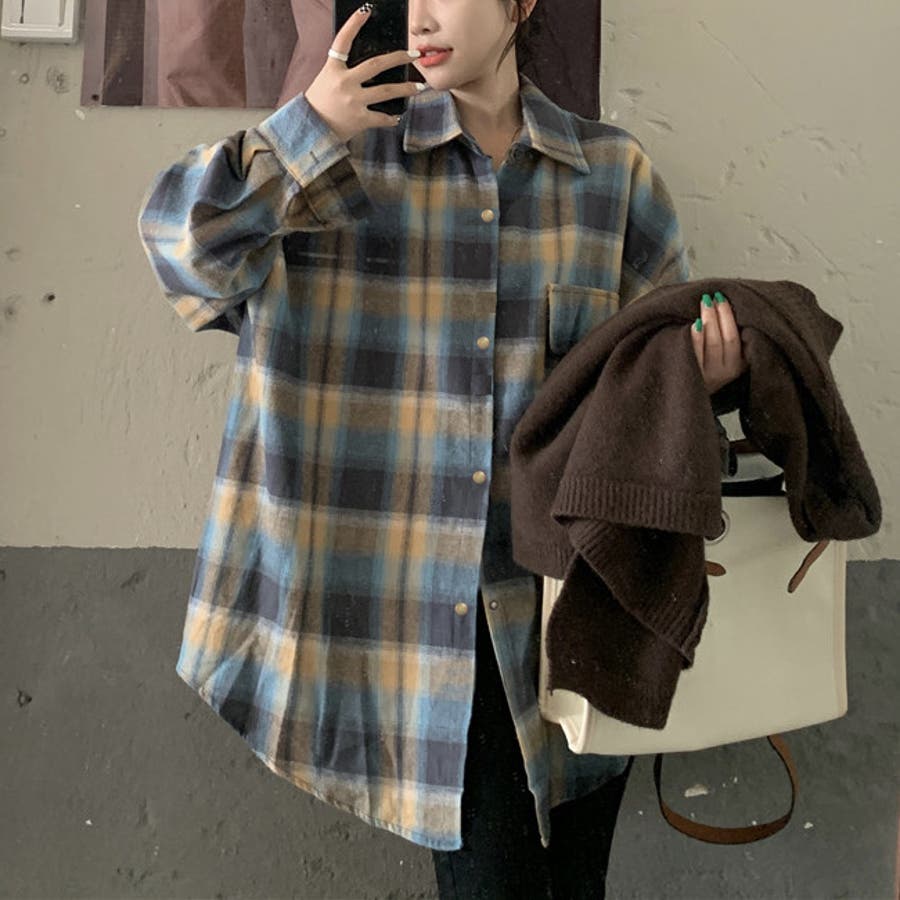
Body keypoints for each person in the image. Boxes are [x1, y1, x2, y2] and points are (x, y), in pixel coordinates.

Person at [138, 1, 745, 897]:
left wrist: (705, 381)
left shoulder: (612, 177)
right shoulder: (331, 162)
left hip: (576, 619)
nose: (421, 14)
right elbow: (184, 255)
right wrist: (306, 129)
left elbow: (648, 413)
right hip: (410, 634)